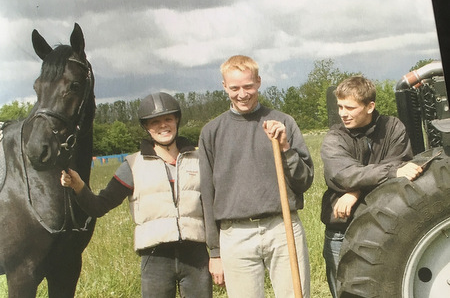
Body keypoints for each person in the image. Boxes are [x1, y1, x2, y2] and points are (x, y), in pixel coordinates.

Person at [60, 92, 212, 298]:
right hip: (155, 257)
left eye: (168, 119)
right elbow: (99, 206)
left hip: (196, 255)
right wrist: (78, 186)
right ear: (146, 127)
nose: (163, 125)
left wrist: (219, 252)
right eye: (155, 122)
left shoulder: (200, 159)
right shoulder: (132, 165)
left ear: (177, 120)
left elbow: (216, 205)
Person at [198, 55, 314, 298]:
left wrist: (285, 148)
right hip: (235, 234)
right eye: (235, 88)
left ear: (259, 82)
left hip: (282, 227)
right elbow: (207, 195)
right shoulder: (212, 132)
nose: (243, 94)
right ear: (224, 87)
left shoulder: (282, 122)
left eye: (248, 86)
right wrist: (215, 251)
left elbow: (304, 181)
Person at [320, 75, 423, 298]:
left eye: (350, 107)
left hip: (387, 227)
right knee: (344, 292)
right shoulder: (334, 138)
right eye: (339, 106)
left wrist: (355, 191)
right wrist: (388, 173)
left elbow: (403, 163)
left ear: (370, 106)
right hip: (342, 229)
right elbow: (343, 174)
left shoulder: (392, 127)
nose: (342, 113)